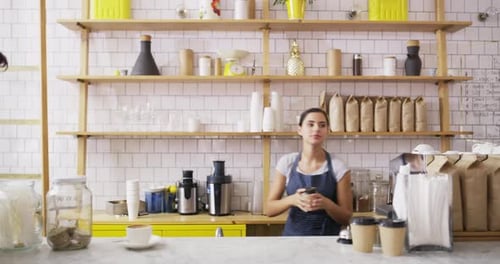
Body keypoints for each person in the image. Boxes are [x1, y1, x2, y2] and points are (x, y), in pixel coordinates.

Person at [265, 107, 353, 236]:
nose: (316, 128)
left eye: (322, 125)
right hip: (292, 240)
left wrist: (327, 204)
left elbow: (346, 217)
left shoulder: (338, 166)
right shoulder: (286, 163)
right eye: (310, 124)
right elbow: (269, 209)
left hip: (328, 242)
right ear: (300, 130)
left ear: (327, 131)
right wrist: (292, 200)